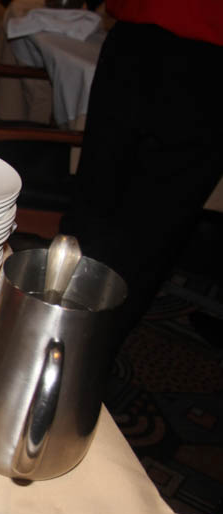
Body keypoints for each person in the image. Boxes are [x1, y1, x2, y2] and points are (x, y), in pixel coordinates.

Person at [58, 0, 223, 345]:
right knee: (139, 227)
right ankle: (78, 350)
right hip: (169, 46)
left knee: (115, 216)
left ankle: (66, 347)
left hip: (153, 43)